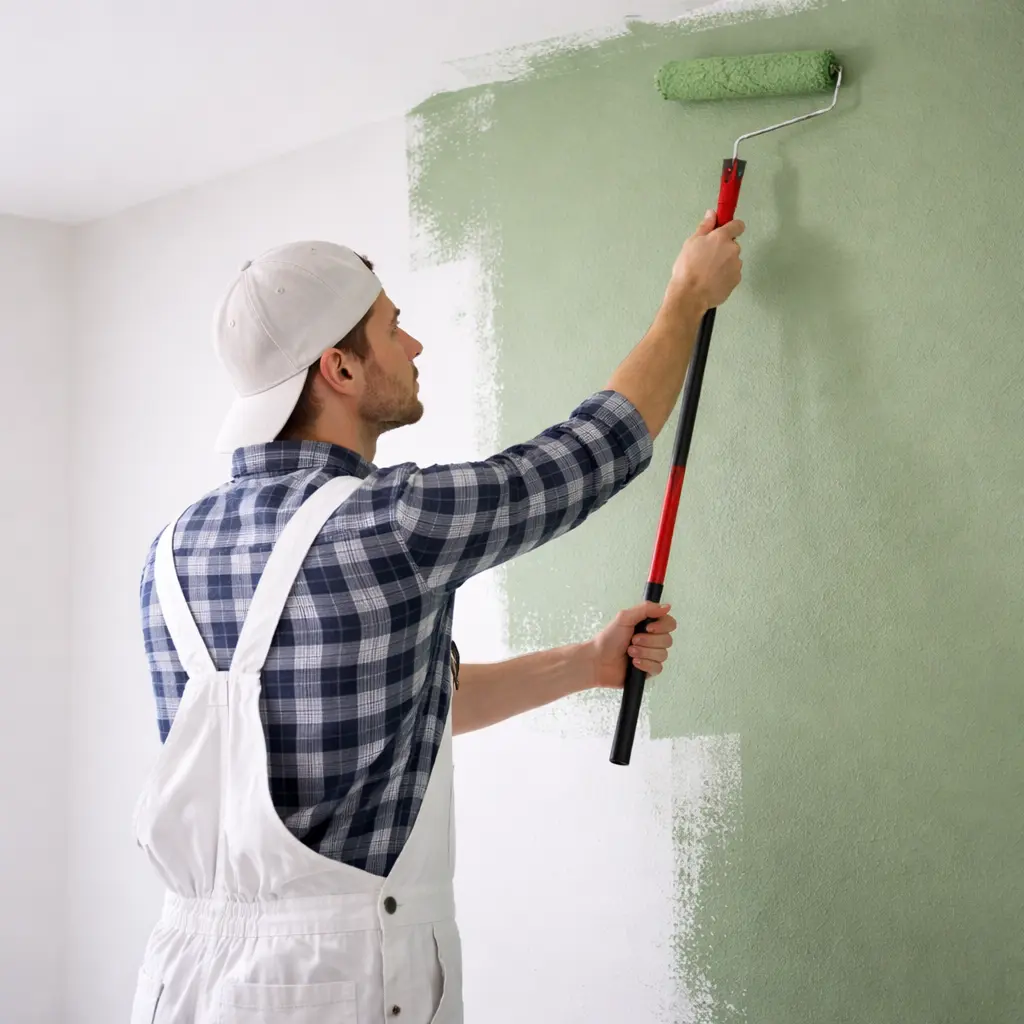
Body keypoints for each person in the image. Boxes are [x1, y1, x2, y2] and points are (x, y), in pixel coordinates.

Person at [130, 210, 744, 1024]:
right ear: (339, 370)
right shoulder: (391, 524)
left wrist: (587, 664)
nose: (414, 347)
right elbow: (591, 454)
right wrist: (685, 301)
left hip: (183, 980)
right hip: (334, 981)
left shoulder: (171, 551)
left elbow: (391, 707)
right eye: (394, 328)